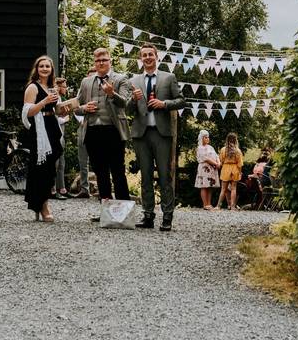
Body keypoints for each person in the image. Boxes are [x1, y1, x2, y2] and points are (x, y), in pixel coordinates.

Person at [128, 43, 185, 231]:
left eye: (150, 54)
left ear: (156, 56)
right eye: (144, 55)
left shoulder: (168, 77)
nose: (147, 58)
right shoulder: (134, 80)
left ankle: (167, 217)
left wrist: (164, 104)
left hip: (162, 134)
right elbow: (128, 110)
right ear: (140, 59)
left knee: (164, 177)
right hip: (141, 134)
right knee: (145, 177)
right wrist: (133, 100)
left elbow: (181, 101)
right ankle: (148, 215)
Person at [74, 48, 132, 215]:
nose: (101, 63)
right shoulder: (86, 82)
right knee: (100, 172)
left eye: (104, 60)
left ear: (110, 61)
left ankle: (123, 214)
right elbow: (76, 108)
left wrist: (112, 94)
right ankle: (106, 213)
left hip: (113, 130)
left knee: (118, 171)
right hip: (92, 131)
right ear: (94, 62)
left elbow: (126, 104)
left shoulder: (121, 79)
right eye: (98, 60)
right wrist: (83, 108)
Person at [21, 55, 64, 222]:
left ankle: (43, 202)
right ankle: (43, 205)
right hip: (40, 131)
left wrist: (66, 108)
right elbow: (28, 112)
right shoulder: (33, 87)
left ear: (52, 69)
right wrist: (45, 101)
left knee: (50, 168)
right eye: (42, 66)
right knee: (40, 169)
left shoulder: (53, 87)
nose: (45, 69)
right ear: (37, 69)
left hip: (52, 126)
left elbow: (57, 109)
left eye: (47, 66)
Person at [71, 66, 97, 199]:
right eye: (89, 76)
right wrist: (82, 116)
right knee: (83, 159)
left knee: (100, 159)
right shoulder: (83, 90)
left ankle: (103, 190)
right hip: (83, 126)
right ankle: (84, 188)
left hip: (98, 127)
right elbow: (75, 106)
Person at [52, 77, 70, 201]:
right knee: (55, 162)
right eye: (64, 86)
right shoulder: (54, 98)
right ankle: (52, 189)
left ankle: (62, 188)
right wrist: (65, 119)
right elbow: (52, 117)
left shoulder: (60, 98)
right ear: (58, 87)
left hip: (61, 133)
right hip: (56, 133)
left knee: (61, 162)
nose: (66, 88)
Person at [216, 132, 243, 210]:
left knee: (223, 189)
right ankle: (232, 206)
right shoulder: (238, 151)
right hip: (235, 169)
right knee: (234, 188)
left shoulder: (223, 150)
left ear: (227, 140)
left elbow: (221, 161)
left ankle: (218, 206)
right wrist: (240, 172)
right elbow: (240, 164)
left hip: (225, 169)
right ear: (236, 140)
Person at [194, 130, 221, 210]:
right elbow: (205, 158)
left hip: (212, 169)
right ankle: (205, 204)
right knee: (204, 185)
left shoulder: (210, 147)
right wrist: (215, 164)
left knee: (210, 186)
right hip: (204, 169)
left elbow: (216, 156)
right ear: (202, 138)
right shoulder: (200, 148)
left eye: (208, 137)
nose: (207, 139)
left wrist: (218, 162)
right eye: (205, 137)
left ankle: (209, 204)